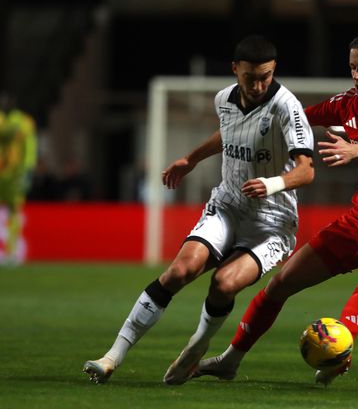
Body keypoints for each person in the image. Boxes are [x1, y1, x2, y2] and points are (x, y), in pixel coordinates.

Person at [192, 30, 358, 385]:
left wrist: (353, 150)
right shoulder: (347, 103)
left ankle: (339, 352)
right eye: (352, 68)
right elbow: (283, 122)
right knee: (281, 283)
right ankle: (230, 360)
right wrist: (195, 156)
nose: (356, 76)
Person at [83, 35, 315, 384]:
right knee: (180, 271)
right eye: (250, 77)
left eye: (265, 76)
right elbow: (228, 133)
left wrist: (271, 184)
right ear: (235, 69)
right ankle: (112, 357)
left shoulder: (287, 107)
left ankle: (197, 346)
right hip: (228, 205)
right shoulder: (223, 99)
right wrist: (190, 159)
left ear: (274, 70)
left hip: (272, 222)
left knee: (224, 283)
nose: (258, 85)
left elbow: (306, 170)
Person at [0, 93, 37, 265]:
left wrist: (28, 168)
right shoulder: (22, 122)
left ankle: (11, 250)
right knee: (14, 210)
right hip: (9, 173)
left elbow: (29, 146)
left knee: (14, 210)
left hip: (13, 173)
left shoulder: (22, 122)